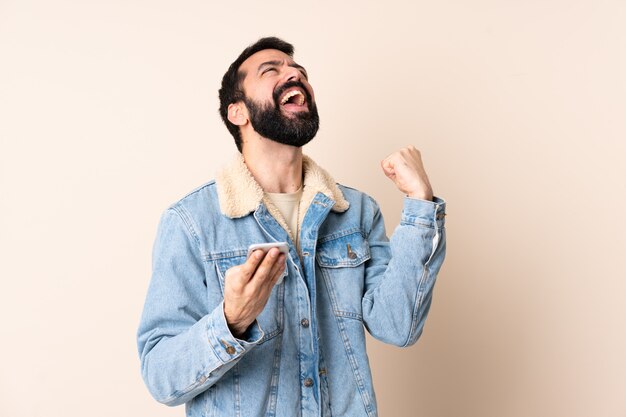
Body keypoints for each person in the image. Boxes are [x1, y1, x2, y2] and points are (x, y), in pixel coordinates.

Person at [137, 36, 447, 417]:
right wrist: (232, 321)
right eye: (272, 70)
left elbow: (398, 327)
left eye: (299, 70)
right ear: (238, 112)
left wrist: (420, 203)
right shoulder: (192, 223)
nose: (294, 73)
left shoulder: (355, 212)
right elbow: (161, 377)